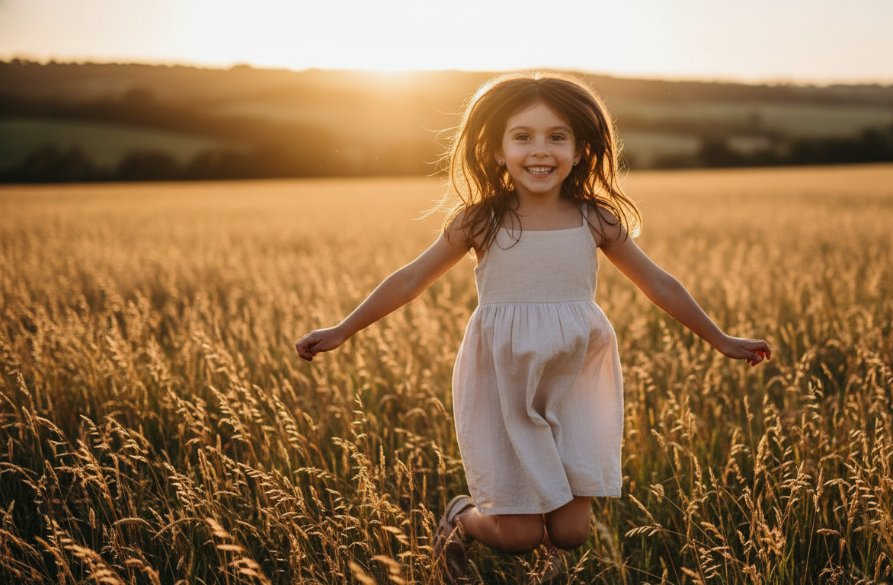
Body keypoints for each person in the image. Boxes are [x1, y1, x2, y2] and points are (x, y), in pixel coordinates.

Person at [294, 72, 772, 582]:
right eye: (522, 136)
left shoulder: (596, 219)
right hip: (506, 374)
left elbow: (659, 284)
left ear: (580, 149)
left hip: (576, 372)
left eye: (556, 136)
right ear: (497, 150)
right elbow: (411, 279)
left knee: (570, 533)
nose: (539, 150)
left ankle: (549, 556)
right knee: (520, 536)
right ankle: (461, 518)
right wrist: (345, 328)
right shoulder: (480, 221)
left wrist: (720, 338)